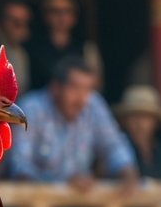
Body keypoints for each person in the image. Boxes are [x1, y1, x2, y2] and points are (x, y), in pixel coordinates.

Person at [8, 56, 137, 192]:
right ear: (56, 88)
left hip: (77, 204)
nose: (81, 98)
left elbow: (113, 146)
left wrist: (127, 172)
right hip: (34, 204)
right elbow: (20, 167)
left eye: (87, 89)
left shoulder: (93, 104)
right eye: (74, 87)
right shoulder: (31, 108)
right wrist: (62, 183)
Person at [26, 0, 102, 91]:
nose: (61, 16)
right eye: (55, 11)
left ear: (74, 17)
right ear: (45, 15)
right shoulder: (30, 48)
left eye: (67, 11)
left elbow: (95, 84)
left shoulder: (86, 48)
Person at [113, 84, 161, 179]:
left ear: (155, 121)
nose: (139, 123)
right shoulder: (115, 149)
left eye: (145, 117)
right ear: (125, 121)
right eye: (134, 116)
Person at [0, 0, 31, 88]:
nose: (20, 26)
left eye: (24, 22)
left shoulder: (22, 53)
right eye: (15, 21)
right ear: (0, 22)